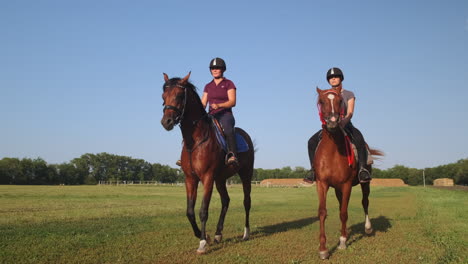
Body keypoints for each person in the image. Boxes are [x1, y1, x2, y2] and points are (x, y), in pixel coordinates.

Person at [304, 67, 371, 183]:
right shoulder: (325, 93)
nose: (333, 79)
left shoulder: (349, 94)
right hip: (329, 125)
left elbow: (350, 112)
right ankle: (313, 170)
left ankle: (363, 169)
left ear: (341, 78)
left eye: (335, 77)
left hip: (345, 124)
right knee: (311, 142)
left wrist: (343, 122)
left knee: (359, 139)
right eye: (330, 78)